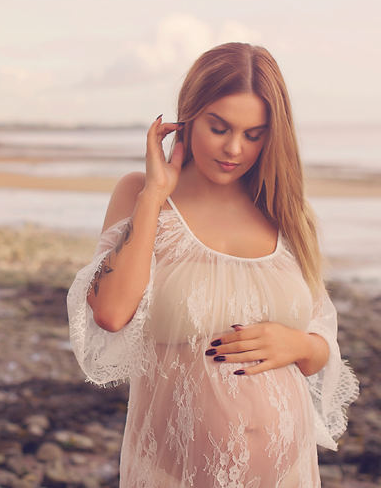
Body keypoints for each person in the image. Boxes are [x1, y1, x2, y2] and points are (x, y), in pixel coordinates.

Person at [67, 43, 358, 487]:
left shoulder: (287, 213)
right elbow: (109, 313)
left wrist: (296, 345)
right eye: (218, 127)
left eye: (254, 134)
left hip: (288, 474)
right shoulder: (141, 196)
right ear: (188, 116)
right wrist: (153, 196)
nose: (234, 149)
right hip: (173, 473)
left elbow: (322, 346)